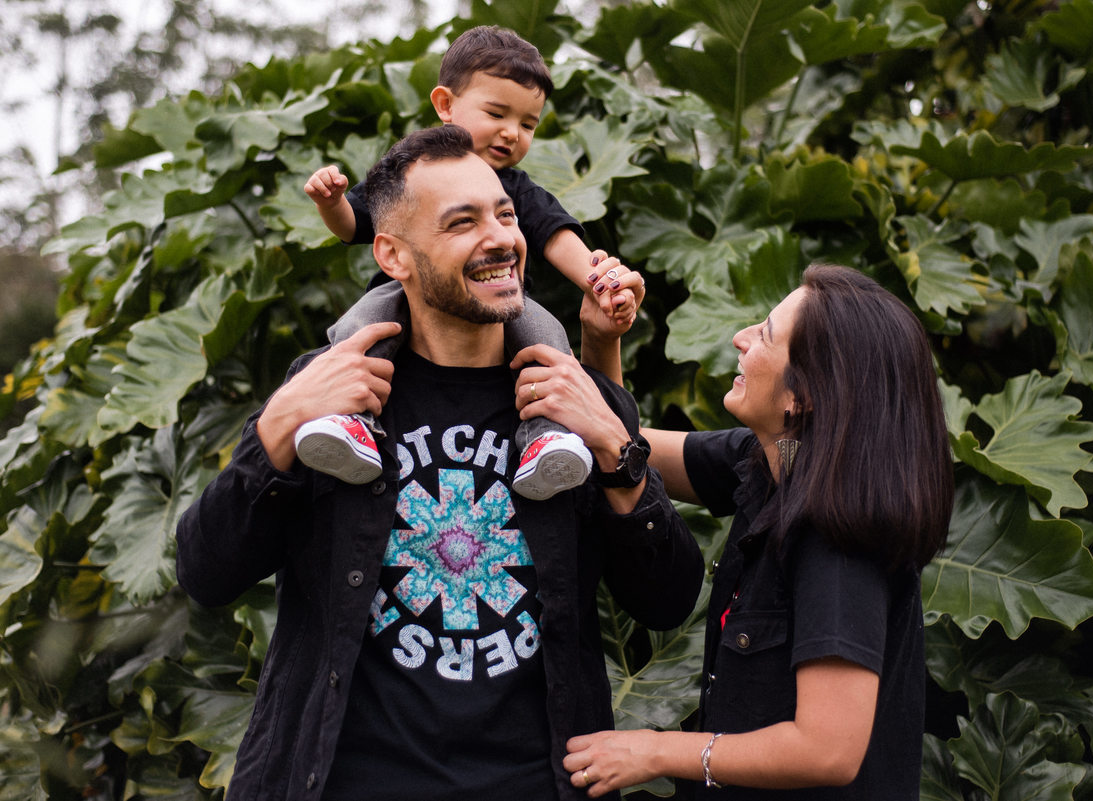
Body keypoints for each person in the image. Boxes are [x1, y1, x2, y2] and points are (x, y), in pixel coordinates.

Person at [175, 125, 703, 801]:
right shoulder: (329, 389)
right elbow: (206, 572)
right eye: (463, 222)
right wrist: (276, 425)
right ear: (392, 254)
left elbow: (667, 600)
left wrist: (617, 450)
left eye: (505, 215)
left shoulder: (578, 400)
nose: (501, 238)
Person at [562, 264, 954, 799]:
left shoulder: (837, 542)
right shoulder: (780, 460)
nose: (741, 339)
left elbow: (828, 750)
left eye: (765, 335)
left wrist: (653, 751)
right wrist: (601, 340)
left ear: (801, 397)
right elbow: (624, 446)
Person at [299, 25, 635, 500]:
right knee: (359, 329)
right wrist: (330, 202)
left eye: (528, 124)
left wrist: (598, 280)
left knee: (551, 340)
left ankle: (546, 437)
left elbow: (555, 234)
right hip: (403, 299)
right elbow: (356, 224)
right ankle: (352, 422)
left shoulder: (515, 186)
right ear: (445, 104)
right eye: (496, 113)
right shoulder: (410, 173)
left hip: (501, 303)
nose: (511, 133)